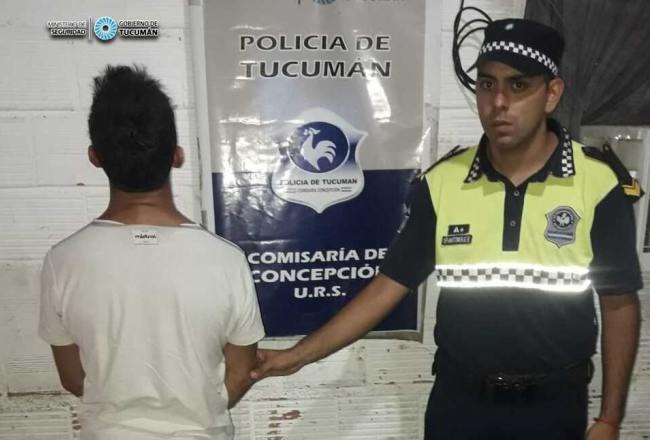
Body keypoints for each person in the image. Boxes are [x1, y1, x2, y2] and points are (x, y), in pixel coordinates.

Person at [250, 19, 642, 439]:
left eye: (518, 86)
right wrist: (297, 356)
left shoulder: (597, 184)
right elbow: (389, 286)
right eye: (487, 85)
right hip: (459, 407)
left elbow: (619, 305)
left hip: (553, 408)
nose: (499, 102)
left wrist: (609, 418)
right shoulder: (443, 183)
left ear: (551, 94)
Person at [38, 65, 265, 440]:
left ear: (95, 157)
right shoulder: (227, 260)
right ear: (177, 155)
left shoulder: (62, 261)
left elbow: (73, 379)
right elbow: (240, 374)